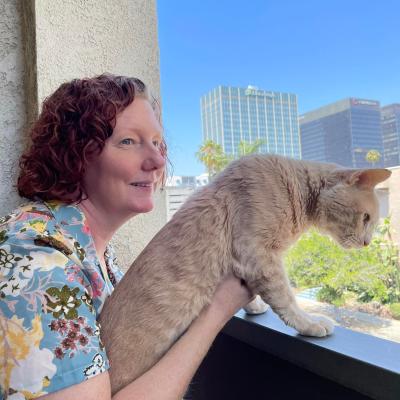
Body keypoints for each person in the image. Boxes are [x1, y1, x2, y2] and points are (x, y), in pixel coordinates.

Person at [0, 74, 253, 400]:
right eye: (128, 142)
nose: (158, 160)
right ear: (76, 153)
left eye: (157, 143)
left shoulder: (93, 254)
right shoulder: (40, 261)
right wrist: (216, 311)